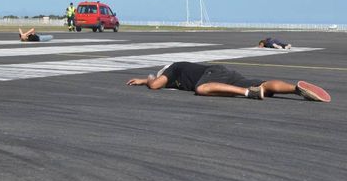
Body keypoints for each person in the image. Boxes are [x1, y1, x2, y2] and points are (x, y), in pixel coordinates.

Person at [126, 61, 330, 102]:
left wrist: (148, 79)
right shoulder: (177, 74)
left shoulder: (174, 68)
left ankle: (248, 94)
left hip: (212, 74)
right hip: (223, 72)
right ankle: (295, 89)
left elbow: (155, 85)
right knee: (263, 85)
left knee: (202, 89)